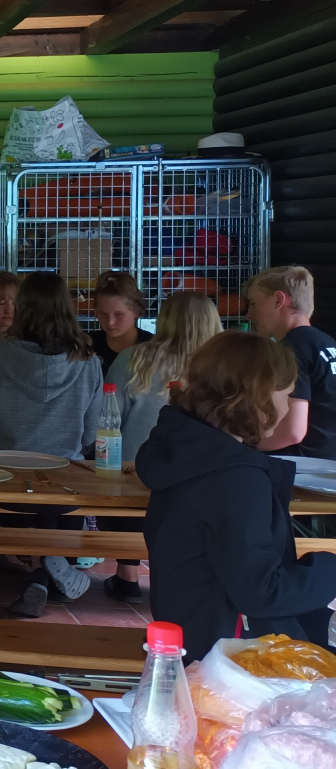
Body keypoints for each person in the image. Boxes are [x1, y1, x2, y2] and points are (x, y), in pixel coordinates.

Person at [138, 330, 336, 660]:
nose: (288, 408)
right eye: (286, 395)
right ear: (259, 397)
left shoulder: (182, 449)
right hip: (229, 652)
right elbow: (262, 593)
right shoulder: (234, 477)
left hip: (189, 631)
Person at [0, 272, 102, 616]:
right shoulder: (88, 362)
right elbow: (90, 436)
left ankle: (39, 576)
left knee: (33, 490)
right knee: (59, 492)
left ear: (22, 308)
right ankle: (45, 571)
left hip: (3, 479)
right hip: (65, 482)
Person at [103, 291, 221, 603]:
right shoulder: (223, 366)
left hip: (137, 464)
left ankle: (127, 575)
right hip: (203, 469)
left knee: (127, 501)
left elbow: (111, 414)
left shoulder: (133, 357)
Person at [246, 265, 336, 459]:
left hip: (302, 464)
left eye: (253, 303)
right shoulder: (327, 344)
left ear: (279, 300)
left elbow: (292, 431)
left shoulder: (291, 349)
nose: (249, 314)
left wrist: (241, 445)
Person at [89, 270, 153, 375]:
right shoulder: (87, 346)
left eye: (119, 314)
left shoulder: (152, 348)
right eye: (103, 314)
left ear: (136, 311)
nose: (110, 322)